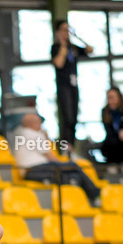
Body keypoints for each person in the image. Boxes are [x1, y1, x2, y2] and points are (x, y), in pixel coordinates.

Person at [11, 112, 101, 204]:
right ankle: (96, 194)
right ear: (32, 124)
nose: (41, 125)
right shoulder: (33, 134)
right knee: (73, 166)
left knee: (74, 176)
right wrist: (64, 164)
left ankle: (89, 199)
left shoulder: (20, 133)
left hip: (32, 171)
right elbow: (51, 157)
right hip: (37, 169)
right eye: (39, 122)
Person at [51, 20, 93, 153]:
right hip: (63, 86)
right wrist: (62, 45)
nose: (66, 33)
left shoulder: (73, 48)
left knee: (74, 118)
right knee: (67, 117)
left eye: (67, 30)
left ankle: (71, 147)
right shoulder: (56, 48)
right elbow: (58, 63)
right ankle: (64, 147)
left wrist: (77, 36)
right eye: (63, 30)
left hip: (74, 85)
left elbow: (90, 50)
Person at [100, 86, 123, 165]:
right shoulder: (105, 111)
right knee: (112, 143)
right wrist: (119, 132)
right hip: (111, 141)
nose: (110, 100)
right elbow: (108, 131)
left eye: (112, 97)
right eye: (109, 98)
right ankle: (113, 165)